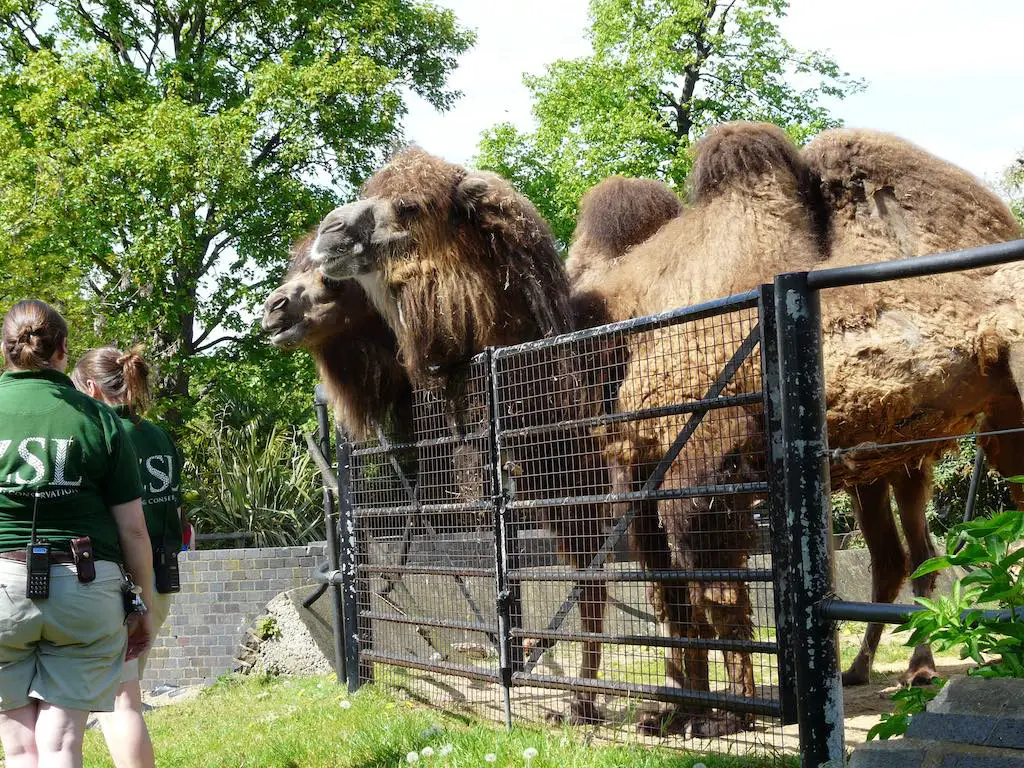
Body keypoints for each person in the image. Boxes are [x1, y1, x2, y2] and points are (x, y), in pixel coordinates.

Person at [0, 300, 154, 768]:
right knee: (62, 743)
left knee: (19, 747)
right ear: (64, 350)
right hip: (86, 588)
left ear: (6, 350)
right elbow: (133, 530)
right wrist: (142, 607)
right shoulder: (102, 419)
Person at [72, 346, 184, 768]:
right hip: (163, 571)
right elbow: (173, 510)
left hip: (120, 577)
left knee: (117, 698)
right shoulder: (157, 434)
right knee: (127, 691)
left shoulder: (99, 433)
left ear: (91, 387)